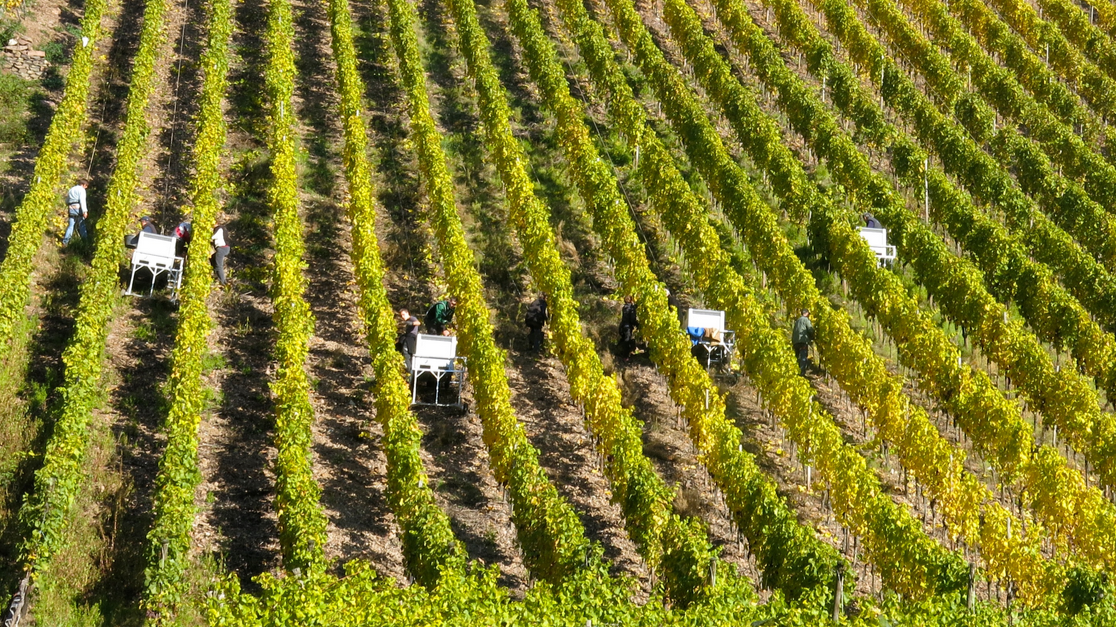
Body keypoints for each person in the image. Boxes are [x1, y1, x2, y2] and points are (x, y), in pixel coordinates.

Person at [63, 180, 89, 245]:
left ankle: (65, 242)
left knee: (71, 226)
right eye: (86, 186)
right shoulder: (82, 190)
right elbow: (82, 201)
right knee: (82, 225)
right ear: (83, 184)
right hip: (78, 209)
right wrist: (85, 211)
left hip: (71, 208)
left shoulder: (71, 189)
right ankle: (85, 242)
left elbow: (67, 200)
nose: (86, 188)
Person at [792, 309, 815, 376]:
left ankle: (794, 371)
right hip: (803, 341)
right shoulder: (805, 320)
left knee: (796, 356)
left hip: (795, 341)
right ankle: (802, 373)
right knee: (803, 356)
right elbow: (810, 329)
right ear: (807, 313)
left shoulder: (797, 321)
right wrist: (813, 336)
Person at [618, 295, 639, 359]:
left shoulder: (624, 307)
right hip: (628, 327)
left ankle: (620, 351)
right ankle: (625, 356)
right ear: (631, 300)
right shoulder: (632, 308)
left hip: (623, 325)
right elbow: (632, 319)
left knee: (624, 339)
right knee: (627, 341)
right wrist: (637, 325)